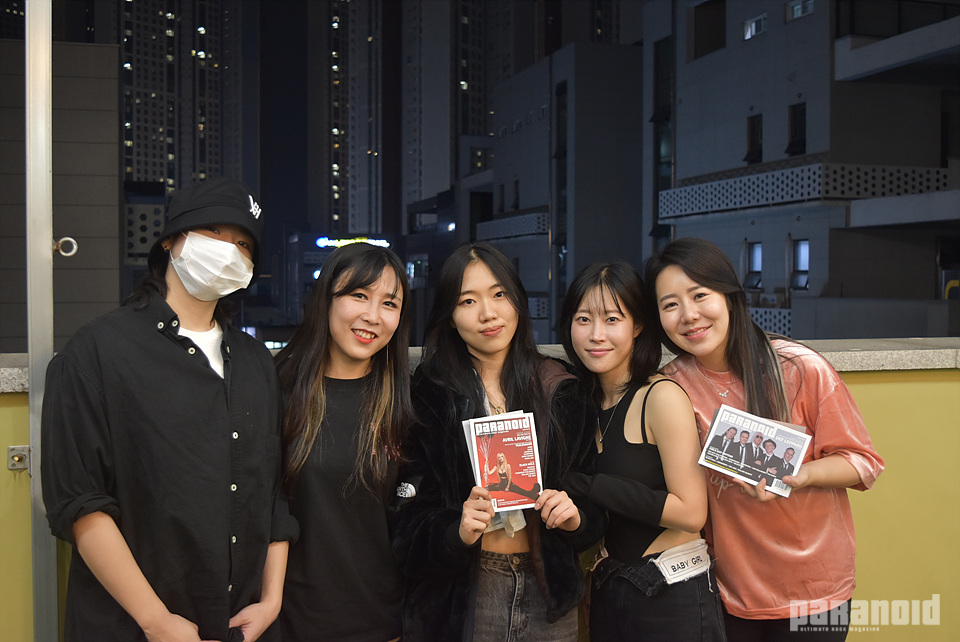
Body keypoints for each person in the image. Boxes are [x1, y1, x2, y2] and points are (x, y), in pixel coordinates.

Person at [41, 178, 297, 642]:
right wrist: (156, 622)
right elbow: (79, 502)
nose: (229, 250)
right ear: (170, 239)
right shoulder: (97, 351)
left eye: (244, 244)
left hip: (242, 624)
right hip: (132, 626)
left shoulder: (257, 361)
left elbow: (274, 493)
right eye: (214, 232)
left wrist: (271, 601)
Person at [646, 237, 884, 641]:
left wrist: (801, 476)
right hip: (728, 589)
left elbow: (863, 462)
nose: (689, 315)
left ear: (729, 296)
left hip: (814, 591)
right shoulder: (671, 386)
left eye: (700, 295)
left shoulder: (799, 368)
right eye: (670, 305)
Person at [390, 242, 602, 642]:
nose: (488, 313)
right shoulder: (429, 397)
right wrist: (456, 531)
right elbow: (404, 527)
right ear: (450, 317)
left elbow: (593, 507)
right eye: (468, 301)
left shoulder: (562, 390)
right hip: (464, 597)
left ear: (518, 300)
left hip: (549, 596)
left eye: (499, 294)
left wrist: (575, 518)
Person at [558, 262, 725, 642]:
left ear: (637, 326)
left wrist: (589, 484)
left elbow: (691, 511)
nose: (596, 335)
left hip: (671, 593)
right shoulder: (581, 403)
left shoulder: (660, 396)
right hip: (611, 586)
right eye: (583, 319)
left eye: (612, 319)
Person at [274, 242, 412, 642]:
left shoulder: (405, 401)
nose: (373, 316)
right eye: (359, 296)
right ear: (327, 299)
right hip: (288, 621)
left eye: (389, 303)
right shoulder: (276, 389)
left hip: (383, 622)